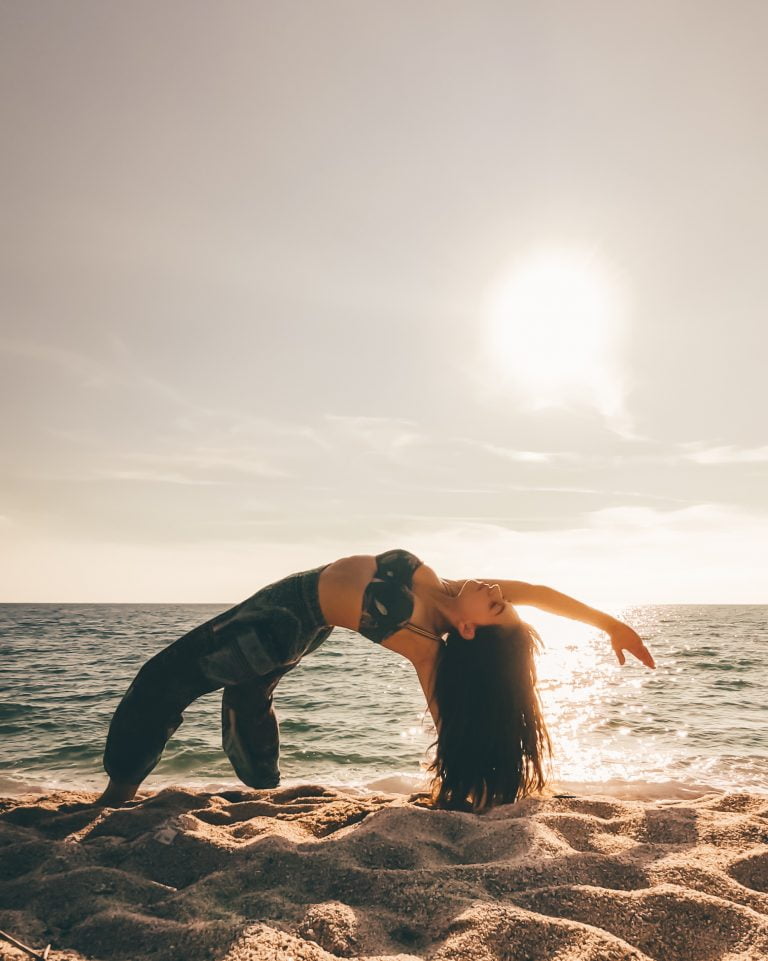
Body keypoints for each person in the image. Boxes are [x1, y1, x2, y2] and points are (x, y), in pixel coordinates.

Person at [97, 548, 655, 811]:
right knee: (249, 693)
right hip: (296, 619)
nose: (499, 594)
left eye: (497, 607)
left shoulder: (413, 630)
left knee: (162, 682)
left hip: (274, 626)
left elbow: (442, 699)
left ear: (467, 629)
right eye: (501, 600)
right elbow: (537, 591)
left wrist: (460, 780)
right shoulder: (448, 592)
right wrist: (610, 623)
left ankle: (118, 795)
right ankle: (259, 773)